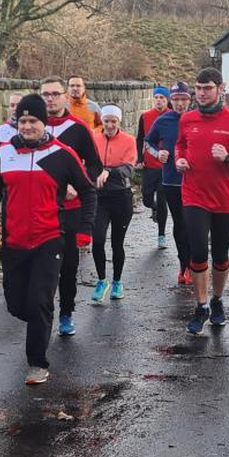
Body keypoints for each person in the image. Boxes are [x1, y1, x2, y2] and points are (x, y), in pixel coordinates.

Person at [0, 95, 96, 385]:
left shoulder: (61, 153)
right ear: (16, 123)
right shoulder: (4, 153)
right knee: (16, 305)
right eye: (23, 121)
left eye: (33, 121)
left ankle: (37, 363)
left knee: (39, 300)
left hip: (49, 239)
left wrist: (84, 228)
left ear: (43, 124)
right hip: (14, 242)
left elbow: (88, 191)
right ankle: (40, 317)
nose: (28, 126)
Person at [175, 67, 229, 335]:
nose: (201, 93)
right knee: (198, 252)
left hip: (223, 199)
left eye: (207, 88)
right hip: (193, 195)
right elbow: (180, 145)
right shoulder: (187, 120)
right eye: (197, 88)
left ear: (220, 88)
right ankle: (201, 306)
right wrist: (180, 159)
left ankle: (218, 300)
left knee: (220, 255)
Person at [41, 75, 104, 336]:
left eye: (56, 94)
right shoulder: (31, 127)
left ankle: (66, 313)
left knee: (67, 266)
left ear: (65, 96)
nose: (51, 99)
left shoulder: (77, 128)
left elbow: (95, 164)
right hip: (40, 208)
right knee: (42, 267)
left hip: (70, 206)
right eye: (46, 94)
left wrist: (76, 184)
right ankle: (41, 315)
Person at [145, 81, 193, 285]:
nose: (180, 103)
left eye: (184, 99)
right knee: (180, 223)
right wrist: (159, 153)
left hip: (196, 180)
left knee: (195, 224)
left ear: (190, 100)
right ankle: (184, 265)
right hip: (172, 180)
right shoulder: (164, 120)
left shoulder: (198, 119)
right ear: (171, 101)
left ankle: (195, 263)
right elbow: (148, 142)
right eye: (176, 99)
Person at [91, 105, 137, 302]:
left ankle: (117, 281)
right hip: (99, 198)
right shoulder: (94, 138)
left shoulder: (129, 141)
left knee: (117, 243)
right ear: (102, 120)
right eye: (106, 121)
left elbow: (129, 169)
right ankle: (102, 280)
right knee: (98, 240)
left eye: (113, 121)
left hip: (121, 197)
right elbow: (87, 163)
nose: (109, 125)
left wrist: (108, 171)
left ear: (120, 122)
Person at [136, 87, 171, 249]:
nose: (159, 100)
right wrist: (140, 158)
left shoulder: (173, 116)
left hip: (166, 166)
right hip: (149, 165)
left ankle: (161, 235)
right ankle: (153, 207)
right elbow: (140, 139)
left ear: (167, 100)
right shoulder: (145, 116)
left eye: (162, 98)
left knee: (163, 198)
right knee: (146, 199)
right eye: (156, 97)